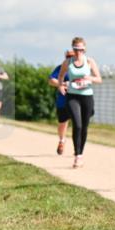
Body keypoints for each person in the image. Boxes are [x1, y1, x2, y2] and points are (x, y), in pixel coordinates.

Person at [57, 38, 102, 168]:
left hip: (87, 96)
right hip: (72, 96)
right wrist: (60, 86)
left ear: (84, 49)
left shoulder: (89, 61)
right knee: (77, 125)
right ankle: (77, 156)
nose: (78, 52)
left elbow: (99, 79)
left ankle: (80, 153)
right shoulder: (67, 62)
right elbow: (60, 77)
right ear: (73, 49)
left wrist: (90, 78)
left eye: (81, 49)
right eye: (76, 49)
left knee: (84, 127)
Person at [48, 50, 75, 154]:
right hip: (63, 99)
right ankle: (62, 140)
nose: (70, 58)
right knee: (62, 122)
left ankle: (77, 147)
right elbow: (51, 80)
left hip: (76, 99)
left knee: (78, 122)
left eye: (72, 56)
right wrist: (63, 84)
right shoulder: (61, 68)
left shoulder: (81, 69)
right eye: (68, 56)